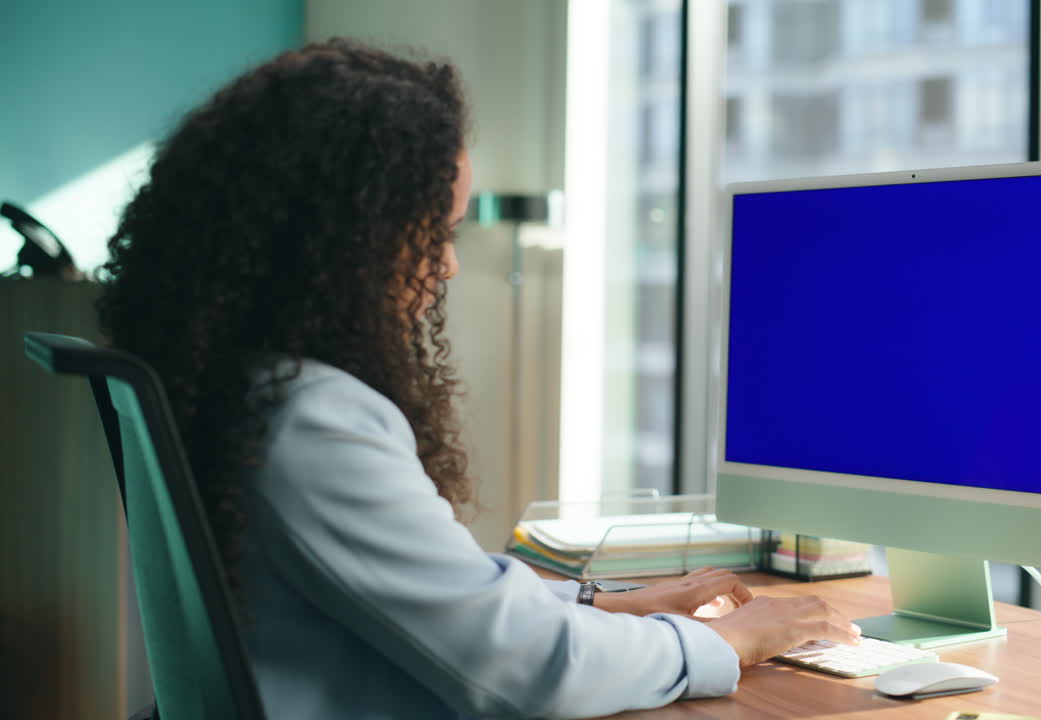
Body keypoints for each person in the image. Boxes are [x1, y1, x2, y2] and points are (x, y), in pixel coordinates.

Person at [96, 38, 860, 719]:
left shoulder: (238, 384)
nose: (450, 264)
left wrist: (604, 602)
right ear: (344, 238)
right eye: (438, 231)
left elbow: (446, 595)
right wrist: (732, 642)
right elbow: (531, 670)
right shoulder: (310, 421)